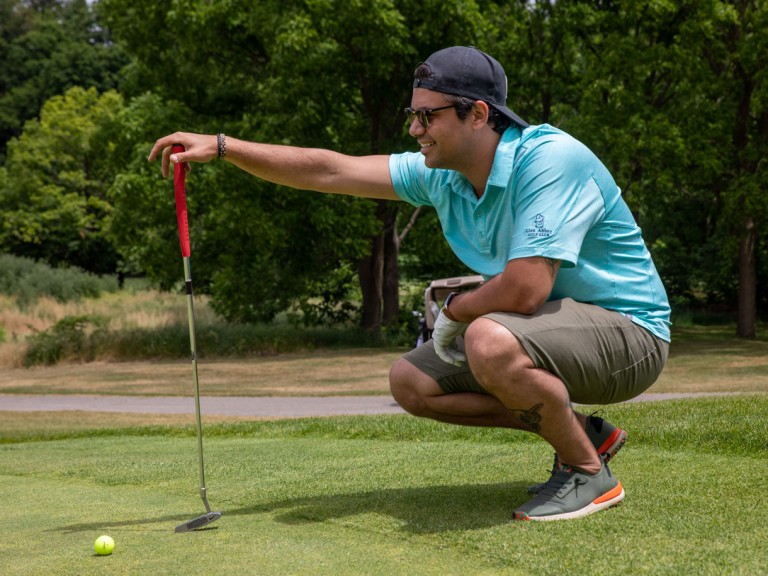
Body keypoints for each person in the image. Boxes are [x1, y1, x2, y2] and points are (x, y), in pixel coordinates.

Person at [149, 46, 671, 521]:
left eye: (428, 116)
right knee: (412, 383)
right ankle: (583, 434)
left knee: (486, 337)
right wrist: (223, 146)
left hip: (633, 336)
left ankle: (587, 474)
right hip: (547, 334)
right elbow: (332, 171)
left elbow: (525, 290)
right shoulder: (440, 172)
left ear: (479, 113)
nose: (416, 129)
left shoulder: (549, 159)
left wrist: (456, 311)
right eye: (412, 115)